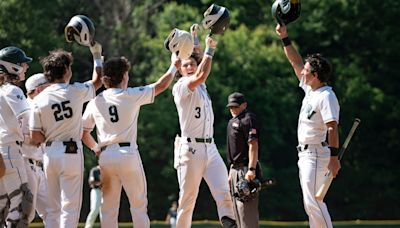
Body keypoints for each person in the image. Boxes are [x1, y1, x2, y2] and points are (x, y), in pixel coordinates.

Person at [81, 54, 179, 228]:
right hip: (128, 154)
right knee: (138, 206)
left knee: (108, 209)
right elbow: (161, 85)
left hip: (106, 155)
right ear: (124, 76)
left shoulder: (95, 101)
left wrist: (95, 148)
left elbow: (83, 131)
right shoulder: (131, 95)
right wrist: (173, 65)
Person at [29, 43, 103, 228]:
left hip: (49, 153)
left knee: (53, 209)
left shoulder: (38, 100)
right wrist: (96, 55)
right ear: (66, 70)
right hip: (70, 151)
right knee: (70, 207)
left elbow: (34, 137)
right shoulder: (75, 91)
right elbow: (98, 80)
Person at [276, 23, 341, 228]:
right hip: (305, 154)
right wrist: (284, 38)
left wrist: (334, 158)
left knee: (314, 201)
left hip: (316, 154)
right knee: (310, 203)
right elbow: (295, 61)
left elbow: (332, 128)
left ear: (315, 75)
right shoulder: (310, 90)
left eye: (306, 70)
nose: (302, 72)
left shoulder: (326, 96)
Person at [172, 32, 237, 227]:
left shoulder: (201, 86)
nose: (190, 67)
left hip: (210, 148)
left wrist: (196, 42)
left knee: (225, 192)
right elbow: (201, 73)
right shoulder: (182, 86)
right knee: (187, 200)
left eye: (192, 64)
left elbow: (201, 68)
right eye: (186, 65)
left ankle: (231, 223)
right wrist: (210, 47)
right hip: (190, 149)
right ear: (180, 70)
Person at [0, 46, 33, 227]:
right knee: (22, 203)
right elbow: (27, 119)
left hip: (1, 150)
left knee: (2, 204)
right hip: (10, 151)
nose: (26, 67)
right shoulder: (12, 90)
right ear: (12, 67)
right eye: (22, 64)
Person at [226, 92, 261, 228]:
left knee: (247, 215)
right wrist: (231, 170)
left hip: (246, 169)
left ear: (244, 105)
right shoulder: (232, 121)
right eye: (230, 107)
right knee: (237, 215)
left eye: (236, 106)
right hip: (235, 169)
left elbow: (253, 145)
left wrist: (251, 169)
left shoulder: (248, 118)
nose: (233, 109)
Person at [21, 73, 50, 225]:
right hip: (25, 164)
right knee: (25, 215)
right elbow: (14, 136)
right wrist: (35, 138)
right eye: (48, 86)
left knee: (52, 212)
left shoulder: (40, 107)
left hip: (39, 167)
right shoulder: (23, 107)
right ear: (38, 90)